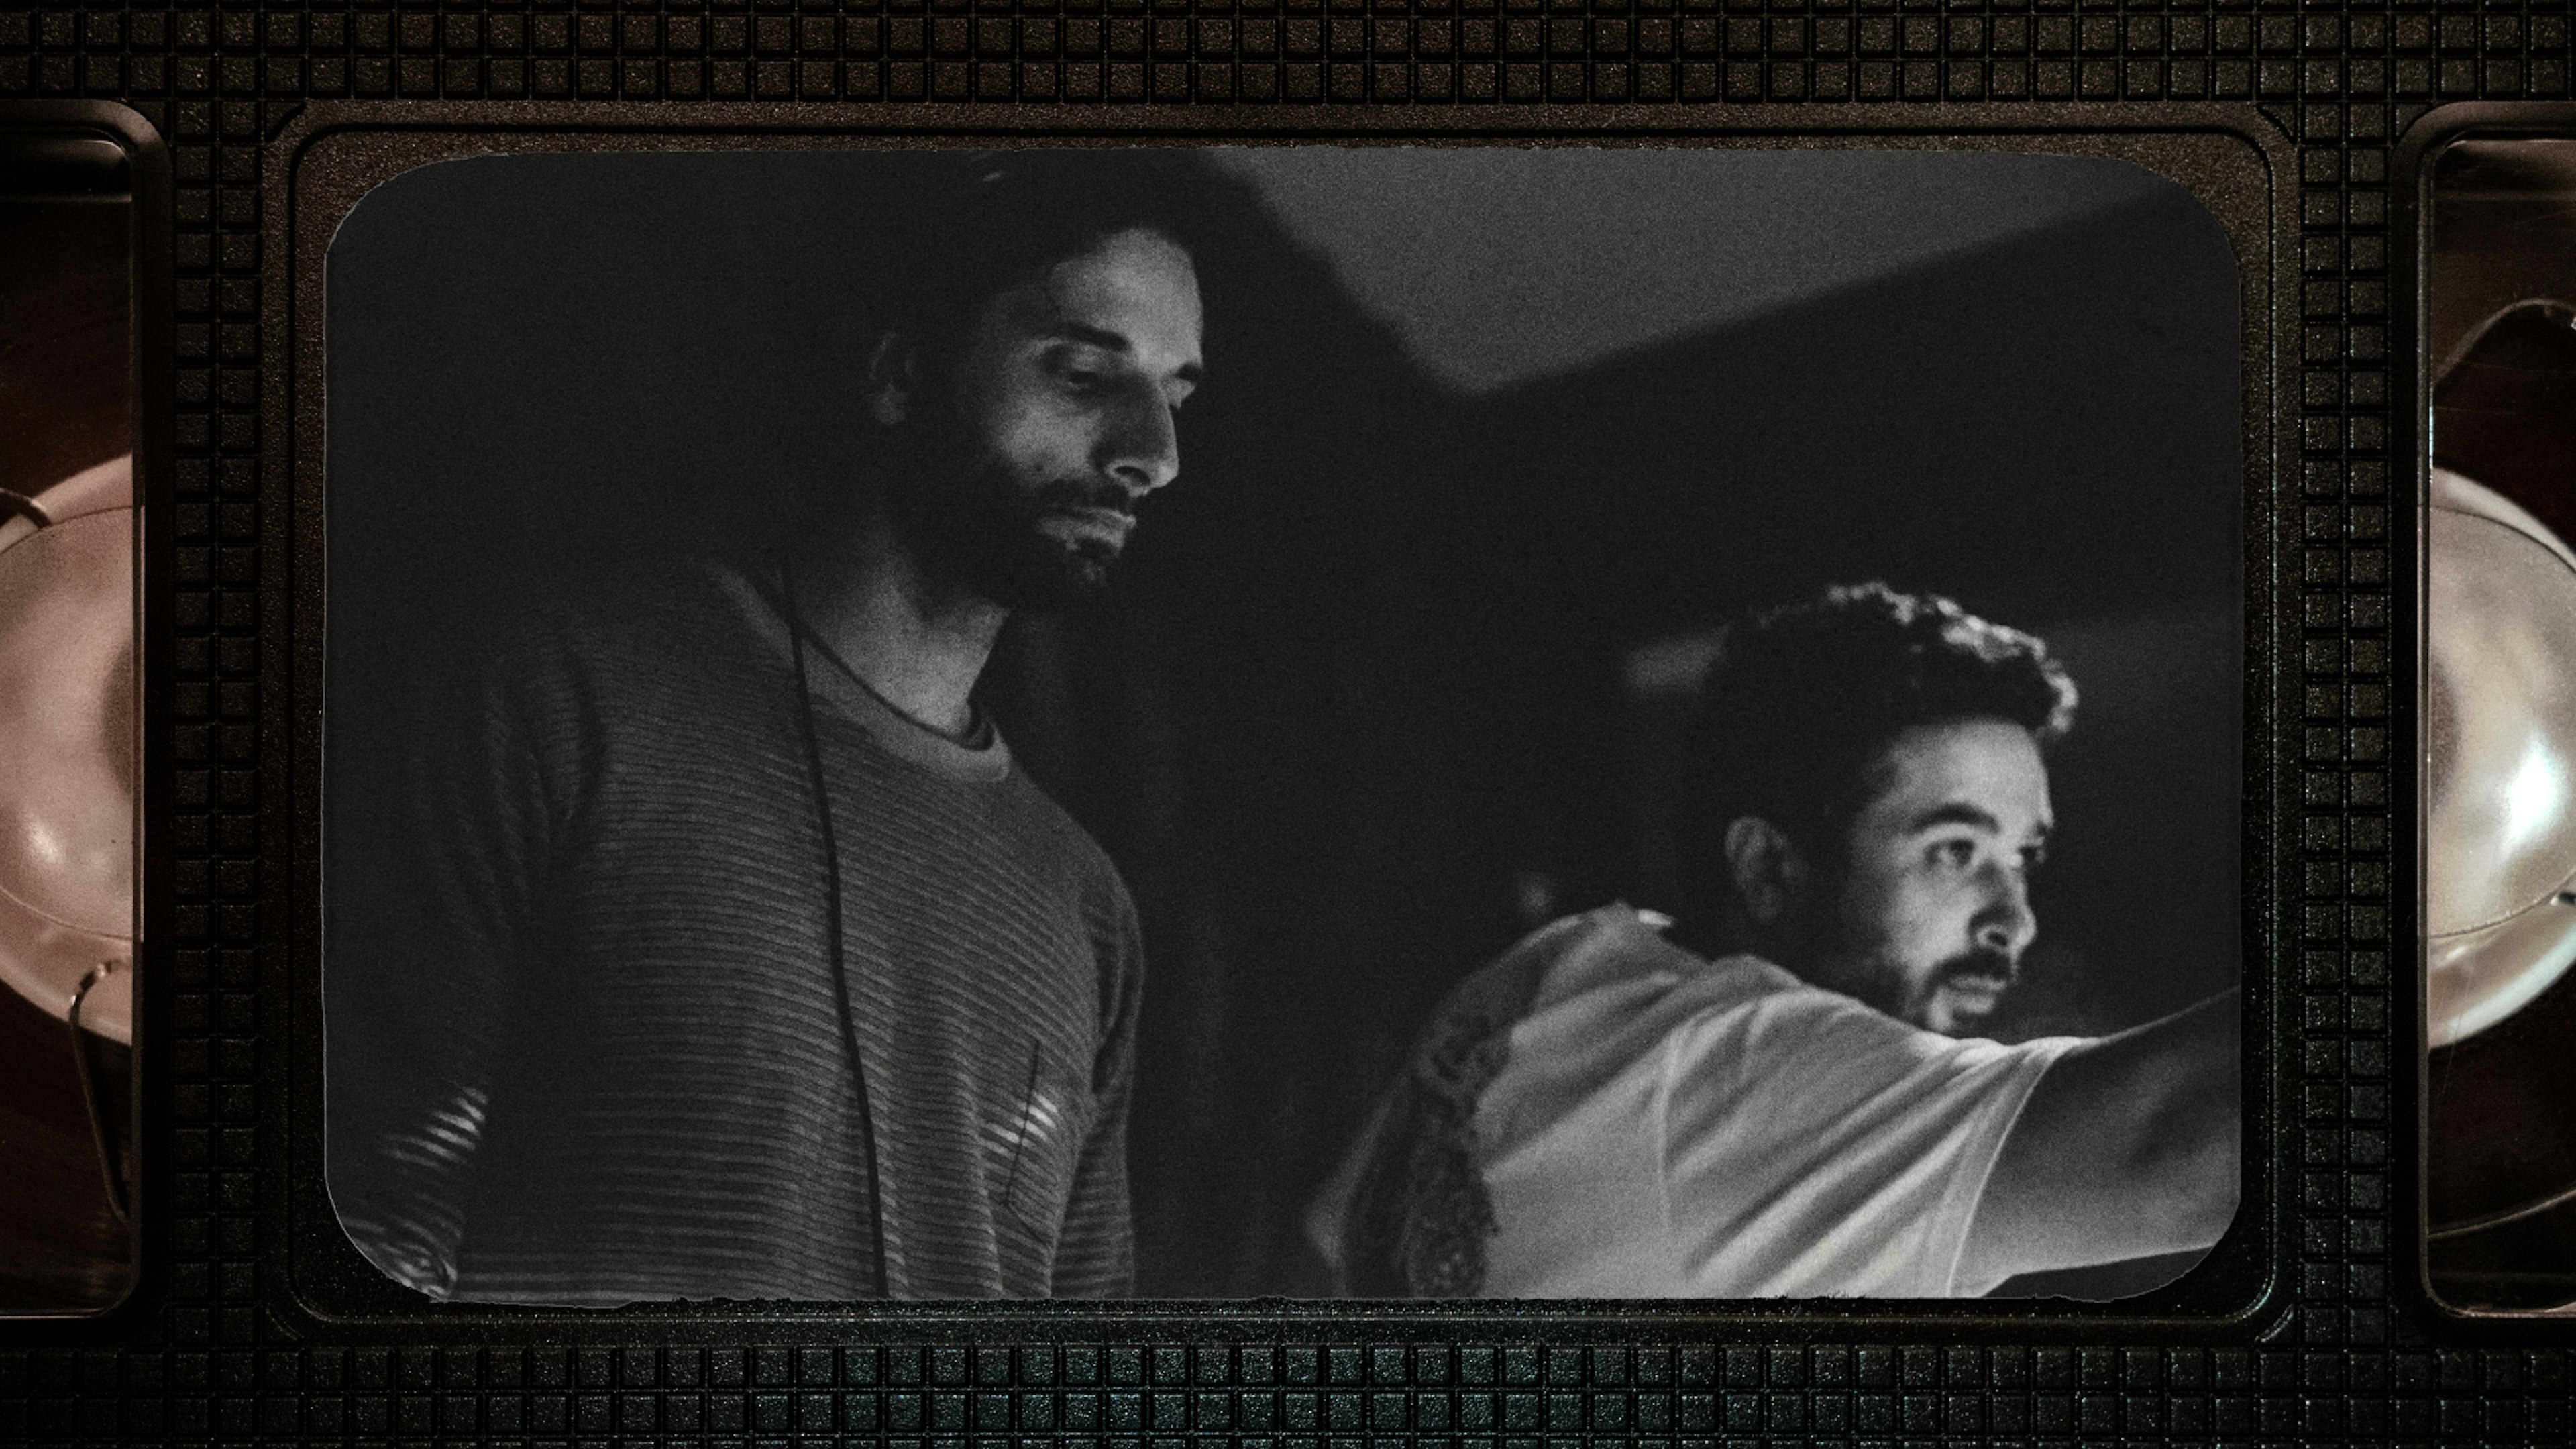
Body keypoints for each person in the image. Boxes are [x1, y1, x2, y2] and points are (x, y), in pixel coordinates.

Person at [325, 152, 1209, 1303]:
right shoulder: (558, 693)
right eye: (1086, 373)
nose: (1155, 454)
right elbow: (376, 1217)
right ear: (901, 372)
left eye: (1177, 397)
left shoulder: (1088, 914)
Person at [1311, 582, 2239, 1298]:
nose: (2015, 919)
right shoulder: (1738, 1070)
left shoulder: (1563, 966)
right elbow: (2183, 1146)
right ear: (1769, 869)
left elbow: (1331, 1240)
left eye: (2023, 858)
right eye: (1954, 851)